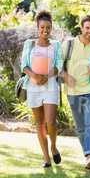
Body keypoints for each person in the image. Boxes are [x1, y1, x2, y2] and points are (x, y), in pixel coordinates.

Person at [61, 15, 90, 169]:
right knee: (80, 127)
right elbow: (57, 66)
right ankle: (87, 155)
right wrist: (66, 76)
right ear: (81, 28)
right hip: (72, 92)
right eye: (87, 28)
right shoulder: (69, 44)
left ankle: (89, 156)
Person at [21, 10, 63, 168]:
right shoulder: (29, 44)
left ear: (51, 28)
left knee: (51, 122)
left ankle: (53, 147)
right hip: (33, 87)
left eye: (48, 28)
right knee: (39, 124)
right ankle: (46, 158)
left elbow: (59, 65)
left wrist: (47, 76)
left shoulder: (56, 45)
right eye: (42, 27)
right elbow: (23, 65)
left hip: (50, 86)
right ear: (37, 27)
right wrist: (34, 76)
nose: (45, 30)